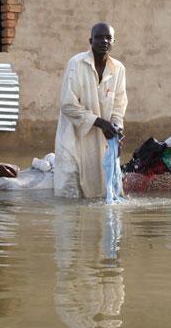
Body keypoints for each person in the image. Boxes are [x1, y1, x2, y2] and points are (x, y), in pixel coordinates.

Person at [54, 22, 128, 198]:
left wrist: (117, 130)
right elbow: (68, 104)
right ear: (90, 40)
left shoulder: (118, 69)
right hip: (74, 134)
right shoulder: (76, 64)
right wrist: (101, 123)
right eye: (99, 37)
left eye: (108, 37)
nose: (104, 41)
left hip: (103, 137)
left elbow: (119, 103)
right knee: (72, 190)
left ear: (113, 41)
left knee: (104, 189)